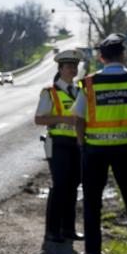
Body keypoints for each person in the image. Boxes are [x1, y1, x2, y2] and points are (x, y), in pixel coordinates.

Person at [72, 33, 127, 254]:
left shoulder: (90, 83)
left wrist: (82, 143)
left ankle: (93, 251)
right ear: (122, 55)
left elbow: (78, 118)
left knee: (92, 202)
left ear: (101, 58)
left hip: (95, 152)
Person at [34, 49, 85, 242]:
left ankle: (68, 229)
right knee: (60, 184)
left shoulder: (80, 91)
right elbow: (39, 119)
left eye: (75, 66)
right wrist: (63, 118)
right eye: (69, 66)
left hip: (76, 143)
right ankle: (52, 230)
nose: (72, 69)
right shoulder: (50, 92)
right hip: (55, 142)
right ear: (60, 69)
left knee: (73, 185)